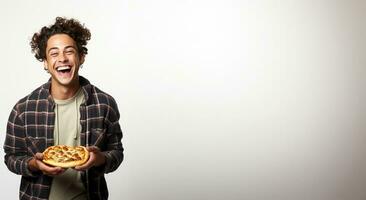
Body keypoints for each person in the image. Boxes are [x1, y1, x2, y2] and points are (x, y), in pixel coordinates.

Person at [3, 17, 124, 200]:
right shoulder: (23, 109)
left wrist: (99, 159)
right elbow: (11, 157)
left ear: (81, 57)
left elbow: (116, 153)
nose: (62, 59)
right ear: (45, 62)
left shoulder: (105, 104)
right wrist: (34, 164)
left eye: (69, 51)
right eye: (54, 53)